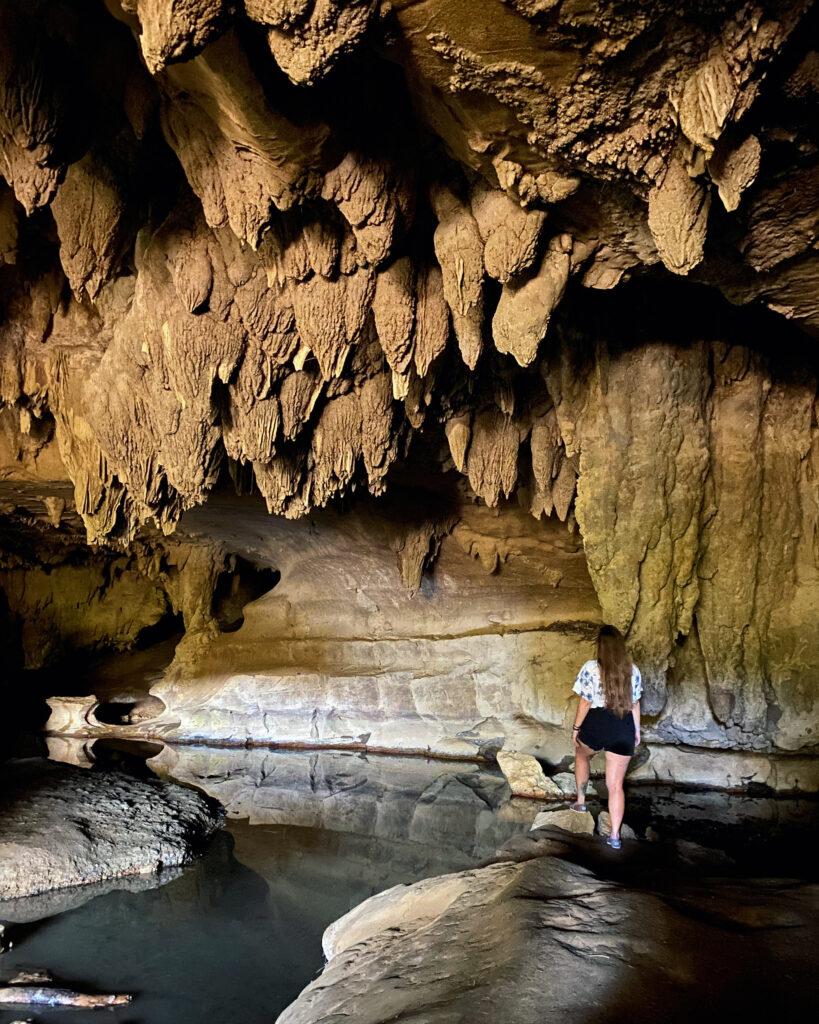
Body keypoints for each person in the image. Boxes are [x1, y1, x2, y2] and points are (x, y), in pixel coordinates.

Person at [569, 625, 642, 849]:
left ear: (599, 647)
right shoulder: (633, 669)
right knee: (615, 785)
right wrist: (636, 731)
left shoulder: (591, 668)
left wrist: (576, 728)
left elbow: (585, 701)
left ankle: (581, 803)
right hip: (623, 724)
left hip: (598, 722)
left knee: (581, 755)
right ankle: (615, 837)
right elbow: (635, 703)